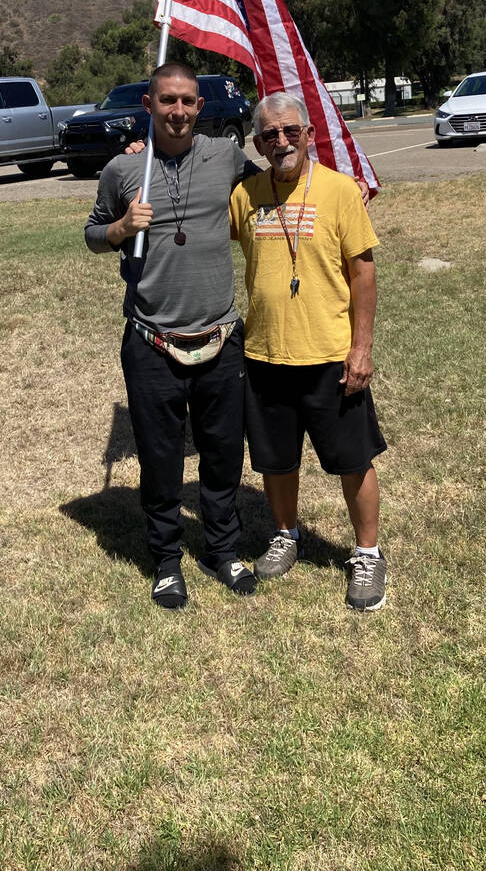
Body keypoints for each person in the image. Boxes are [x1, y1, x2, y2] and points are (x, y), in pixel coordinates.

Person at [84, 63, 257, 609]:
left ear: (200, 108)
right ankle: (166, 561)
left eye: (187, 101)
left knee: (223, 452)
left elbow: (275, 181)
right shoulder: (122, 169)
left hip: (220, 336)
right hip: (151, 338)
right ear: (149, 105)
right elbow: (91, 233)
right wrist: (119, 229)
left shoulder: (225, 157)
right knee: (160, 458)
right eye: (167, 101)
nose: (178, 111)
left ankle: (222, 549)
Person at [229, 92, 388, 611]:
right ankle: (285, 534)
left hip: (329, 355)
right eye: (270, 134)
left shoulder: (340, 192)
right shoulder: (245, 196)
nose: (281, 141)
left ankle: (366, 553)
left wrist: (360, 348)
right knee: (275, 461)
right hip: (266, 354)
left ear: (308, 134)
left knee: (352, 460)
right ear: (257, 143)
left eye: (290, 131)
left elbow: (363, 274)